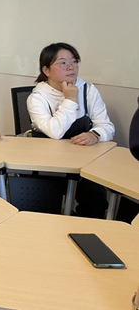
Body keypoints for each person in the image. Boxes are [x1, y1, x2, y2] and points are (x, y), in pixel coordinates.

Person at [27, 42, 115, 218]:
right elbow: (55, 132)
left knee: (96, 199)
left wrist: (95, 135)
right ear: (46, 70)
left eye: (74, 61)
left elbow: (106, 125)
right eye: (63, 63)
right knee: (45, 208)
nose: (71, 67)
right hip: (48, 164)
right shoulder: (37, 97)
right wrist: (70, 100)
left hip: (83, 163)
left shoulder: (88, 90)